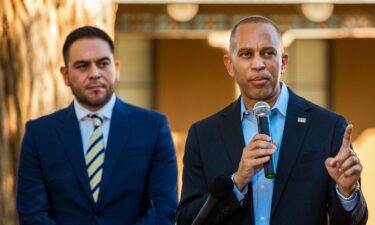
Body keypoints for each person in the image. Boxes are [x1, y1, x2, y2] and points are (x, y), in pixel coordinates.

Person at [176, 16, 368, 225]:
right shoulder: (203, 135)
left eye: (268, 53)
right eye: (246, 54)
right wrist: (238, 181)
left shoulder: (328, 127)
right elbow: (187, 220)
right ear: (229, 65)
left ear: (283, 61)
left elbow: (353, 221)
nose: (258, 64)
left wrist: (347, 193)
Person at [16, 26, 178, 225]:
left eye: (103, 63)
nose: (95, 73)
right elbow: (32, 213)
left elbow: (164, 210)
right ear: (65, 75)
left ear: (116, 69)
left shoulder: (154, 128)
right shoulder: (39, 134)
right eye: (82, 66)